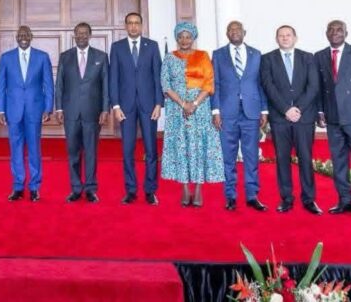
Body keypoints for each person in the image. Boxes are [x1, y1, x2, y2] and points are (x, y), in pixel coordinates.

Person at [314, 20, 351, 219]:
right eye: (331, 30)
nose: (335, 33)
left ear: (346, 33)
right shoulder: (319, 56)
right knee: (339, 162)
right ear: (326, 33)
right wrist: (320, 111)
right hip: (332, 119)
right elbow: (319, 87)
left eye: (339, 30)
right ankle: (344, 200)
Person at [260, 25, 321, 215]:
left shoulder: (308, 57)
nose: (285, 38)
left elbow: (313, 86)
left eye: (288, 35)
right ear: (276, 39)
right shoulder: (267, 59)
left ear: (295, 38)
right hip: (280, 118)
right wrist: (286, 109)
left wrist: (298, 108)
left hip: (304, 117)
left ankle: (309, 199)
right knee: (282, 159)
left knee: (305, 158)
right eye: (281, 35)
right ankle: (286, 198)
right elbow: (268, 86)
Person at [160, 22, 222, 206]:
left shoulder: (203, 56)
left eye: (188, 37)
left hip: (200, 109)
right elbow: (165, 85)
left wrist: (194, 104)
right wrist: (183, 104)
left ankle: (199, 188)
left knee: (199, 146)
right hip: (176, 109)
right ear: (176, 38)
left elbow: (208, 83)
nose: (184, 40)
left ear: (193, 38)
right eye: (181, 37)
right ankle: (185, 189)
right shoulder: (169, 58)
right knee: (182, 147)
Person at [211, 21, 268, 212]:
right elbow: (215, 84)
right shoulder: (218, 55)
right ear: (227, 33)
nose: (235, 32)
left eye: (238, 29)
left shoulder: (256, 54)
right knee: (228, 156)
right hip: (227, 113)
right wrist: (216, 111)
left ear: (245, 32)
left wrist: (264, 110)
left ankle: (252, 195)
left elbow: (261, 84)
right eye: (231, 29)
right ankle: (230, 196)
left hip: (251, 111)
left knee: (251, 155)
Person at [110, 12, 163, 205]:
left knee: (151, 149)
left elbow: (158, 76)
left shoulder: (152, 46)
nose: (133, 26)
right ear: (126, 26)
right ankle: (131, 190)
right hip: (125, 107)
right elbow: (113, 78)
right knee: (127, 150)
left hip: (149, 106)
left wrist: (159, 103)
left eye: (136, 23)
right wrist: (116, 105)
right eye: (130, 23)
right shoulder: (117, 47)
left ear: (141, 25)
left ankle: (150, 190)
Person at [0, 25, 54, 202]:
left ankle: (35, 187)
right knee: (16, 149)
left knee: (34, 149)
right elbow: (1, 86)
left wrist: (48, 108)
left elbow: (48, 85)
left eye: (26, 34)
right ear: (16, 37)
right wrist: (0, 109)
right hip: (13, 111)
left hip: (35, 110)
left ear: (31, 36)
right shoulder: (6, 58)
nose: (23, 37)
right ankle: (18, 187)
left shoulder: (42, 57)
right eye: (20, 35)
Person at [54, 22, 109, 203]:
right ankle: (76, 188)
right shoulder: (65, 57)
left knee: (91, 152)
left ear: (90, 35)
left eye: (85, 33)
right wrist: (59, 108)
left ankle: (91, 189)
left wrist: (105, 109)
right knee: (73, 152)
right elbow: (59, 85)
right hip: (70, 113)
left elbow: (106, 85)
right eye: (78, 33)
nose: (81, 36)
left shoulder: (101, 57)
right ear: (74, 35)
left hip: (93, 112)